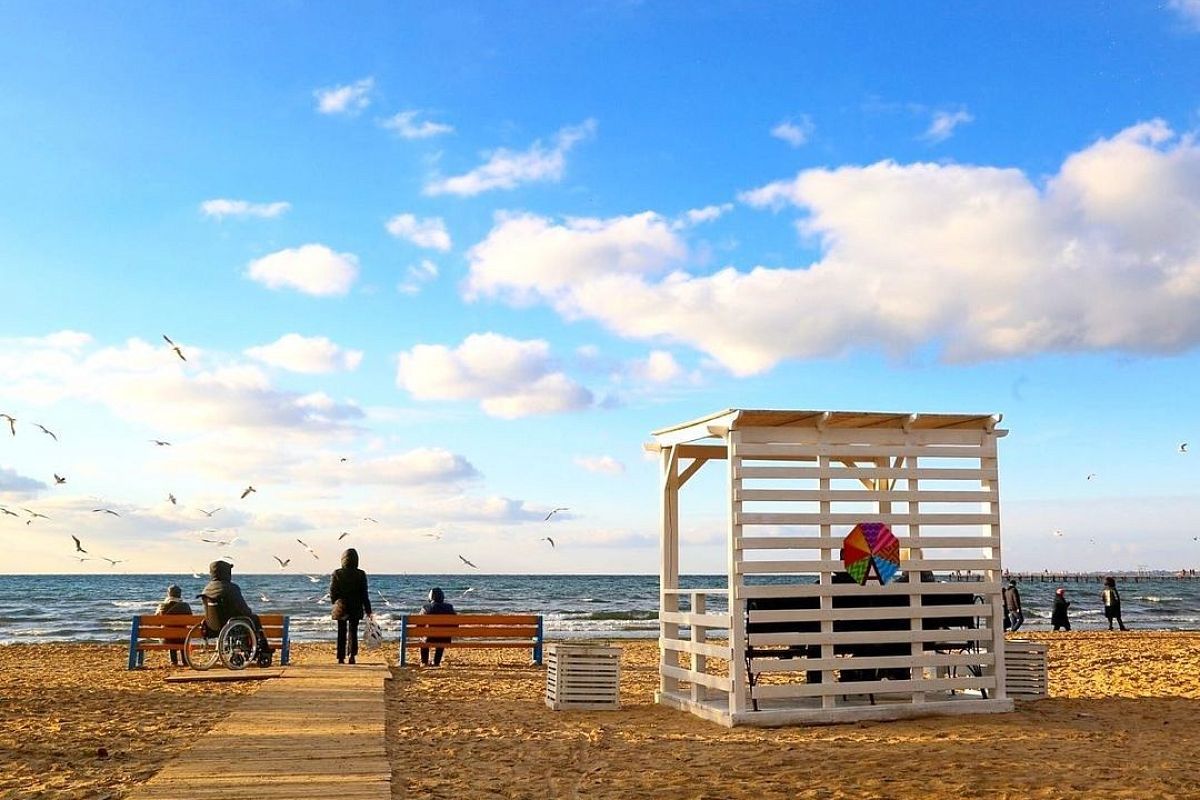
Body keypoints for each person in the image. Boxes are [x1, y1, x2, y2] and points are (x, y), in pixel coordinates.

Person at [200, 560, 270, 661]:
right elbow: (242, 607)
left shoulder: (206, 589)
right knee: (253, 618)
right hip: (230, 624)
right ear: (226, 573)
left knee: (242, 621)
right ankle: (263, 649)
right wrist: (248, 613)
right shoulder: (231, 588)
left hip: (212, 625)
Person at [329, 548, 372, 665]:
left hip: (340, 606)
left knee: (341, 632)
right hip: (356, 606)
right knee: (353, 632)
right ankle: (352, 655)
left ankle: (340, 657)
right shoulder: (361, 574)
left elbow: (332, 591)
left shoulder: (337, 573)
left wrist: (335, 602)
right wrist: (368, 610)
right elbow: (364, 594)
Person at [155, 584, 193, 666]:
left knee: (169, 633)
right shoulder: (185, 606)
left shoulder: (162, 606)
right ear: (180, 594)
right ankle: (185, 661)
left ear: (168, 594)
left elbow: (157, 623)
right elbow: (191, 621)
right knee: (182, 635)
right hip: (182, 638)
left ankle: (173, 662)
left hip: (166, 639)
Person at [419, 587, 456, 667]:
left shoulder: (426, 607)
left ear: (430, 597)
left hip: (429, 638)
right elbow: (456, 624)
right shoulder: (449, 607)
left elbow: (419, 625)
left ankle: (424, 661)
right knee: (442, 638)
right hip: (445, 638)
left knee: (423, 639)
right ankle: (436, 662)